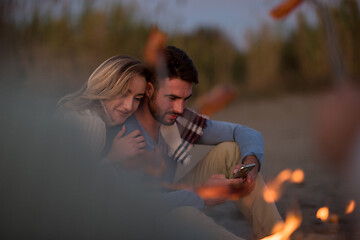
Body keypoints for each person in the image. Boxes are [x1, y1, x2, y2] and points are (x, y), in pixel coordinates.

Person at [107, 46, 283, 239]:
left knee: (231, 150)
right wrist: (200, 193)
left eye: (185, 99)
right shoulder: (124, 132)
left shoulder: (178, 121)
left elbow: (243, 132)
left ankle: (277, 234)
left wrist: (251, 163)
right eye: (172, 98)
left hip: (173, 198)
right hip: (138, 223)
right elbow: (135, 207)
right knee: (182, 214)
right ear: (149, 90)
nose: (180, 108)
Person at [57, 55, 152, 164]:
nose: (129, 106)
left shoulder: (83, 115)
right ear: (106, 86)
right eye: (123, 93)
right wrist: (114, 157)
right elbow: (76, 179)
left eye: (137, 98)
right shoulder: (92, 123)